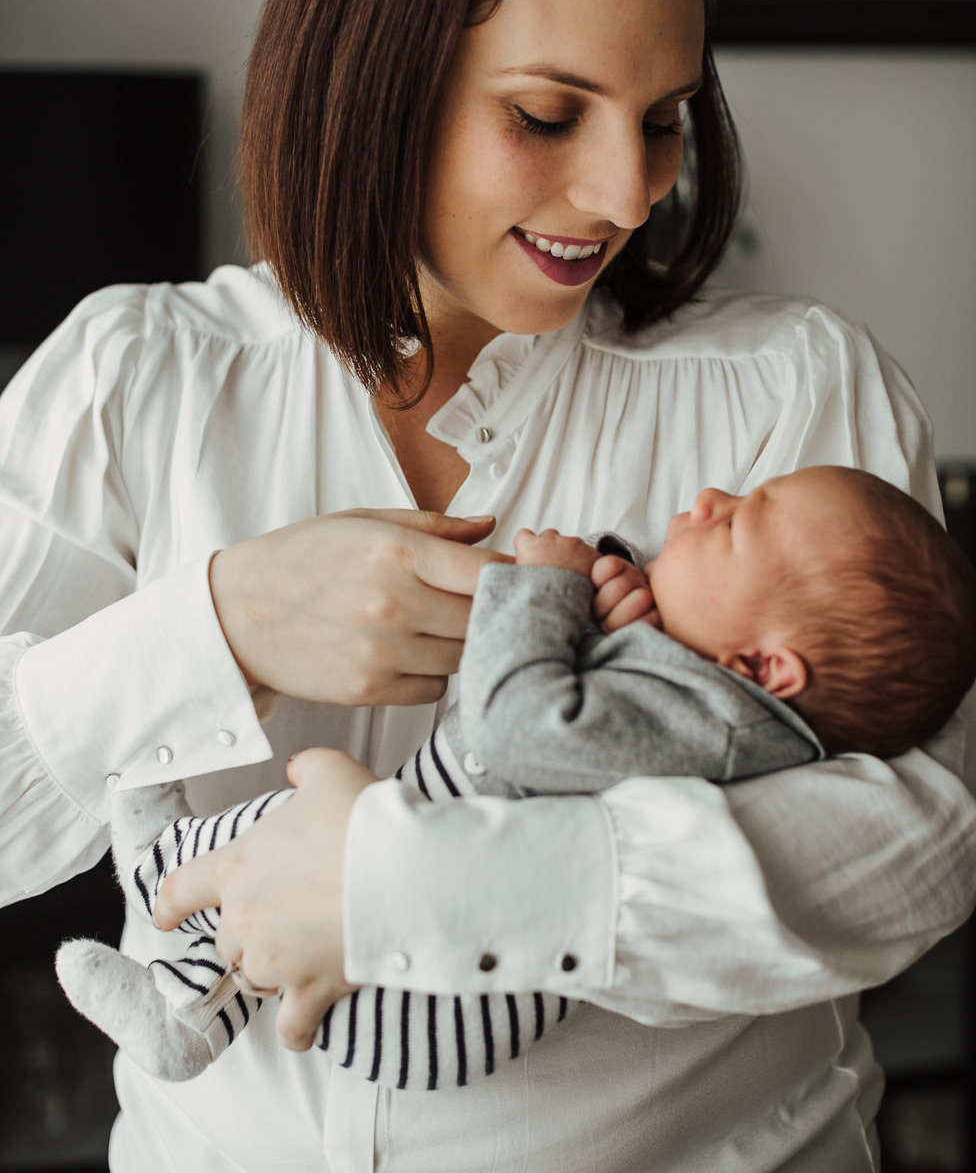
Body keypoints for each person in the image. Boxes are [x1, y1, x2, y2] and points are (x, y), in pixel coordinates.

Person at [2, 0, 974, 1173]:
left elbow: (919, 851)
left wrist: (423, 886)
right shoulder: (128, 382)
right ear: (374, 81)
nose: (629, 193)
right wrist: (212, 627)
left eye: (661, 119)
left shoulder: (794, 392)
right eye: (545, 114)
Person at [55, 463, 976, 1092]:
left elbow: (521, 728)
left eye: (734, 525)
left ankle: (158, 873)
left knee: (291, 830)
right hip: (413, 987)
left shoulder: (716, 724)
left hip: (421, 1004)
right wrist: (618, 619)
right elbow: (610, 724)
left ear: (767, 670)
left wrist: (543, 589)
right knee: (292, 852)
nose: (706, 497)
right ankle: (186, 1011)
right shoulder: (721, 715)